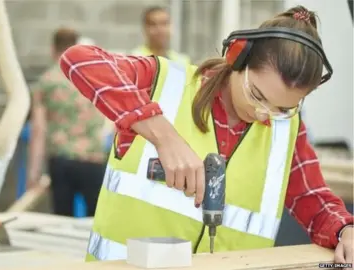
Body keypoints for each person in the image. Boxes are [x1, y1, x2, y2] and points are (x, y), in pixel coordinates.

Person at [60, 6, 354, 264]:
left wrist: (345, 230)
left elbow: (311, 197)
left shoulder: (286, 128)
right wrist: (164, 136)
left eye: (282, 108)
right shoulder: (164, 83)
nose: (264, 114)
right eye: (257, 95)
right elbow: (79, 59)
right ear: (237, 58)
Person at [28, 27, 107, 217]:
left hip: (62, 160)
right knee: (96, 222)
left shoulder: (46, 81)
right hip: (93, 158)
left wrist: (33, 172)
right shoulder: (93, 77)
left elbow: (39, 129)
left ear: (52, 48)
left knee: (62, 221)